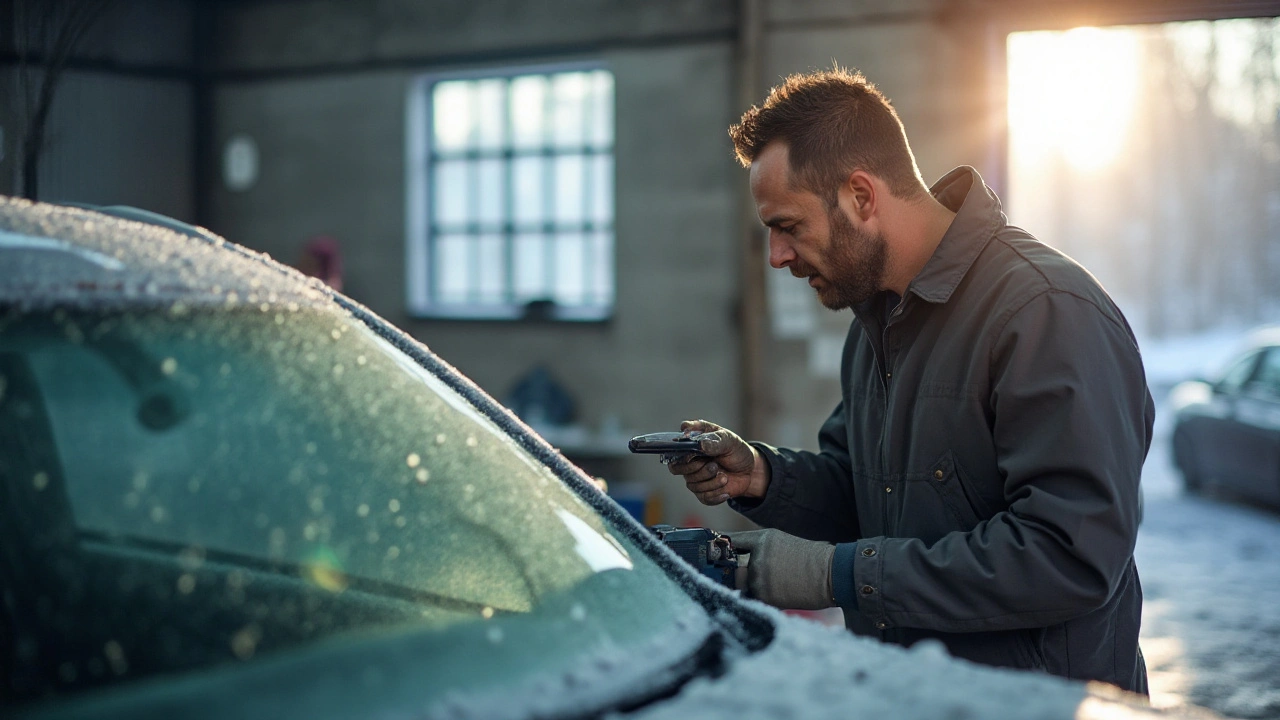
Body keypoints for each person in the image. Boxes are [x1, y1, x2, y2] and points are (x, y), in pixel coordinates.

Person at [667, 68, 1153, 694]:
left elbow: (1068, 556)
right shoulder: (876, 326)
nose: (777, 257)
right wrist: (761, 475)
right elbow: (869, 498)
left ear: (862, 197)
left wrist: (837, 575)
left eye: (788, 226)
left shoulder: (1044, 312)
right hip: (912, 695)